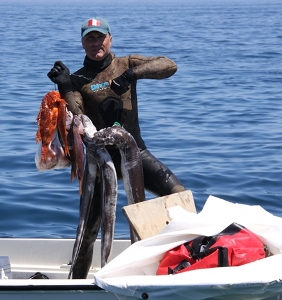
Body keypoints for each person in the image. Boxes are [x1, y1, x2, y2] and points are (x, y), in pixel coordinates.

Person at [47, 17, 186, 279]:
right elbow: (77, 115)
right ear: (82, 43)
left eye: (100, 37)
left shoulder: (126, 63)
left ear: (110, 39)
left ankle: (184, 263)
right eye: (90, 38)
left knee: (179, 194)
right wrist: (65, 86)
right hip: (101, 163)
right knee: (89, 233)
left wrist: (132, 74)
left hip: (136, 153)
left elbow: (170, 65)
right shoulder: (78, 79)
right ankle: (75, 285)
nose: (95, 42)